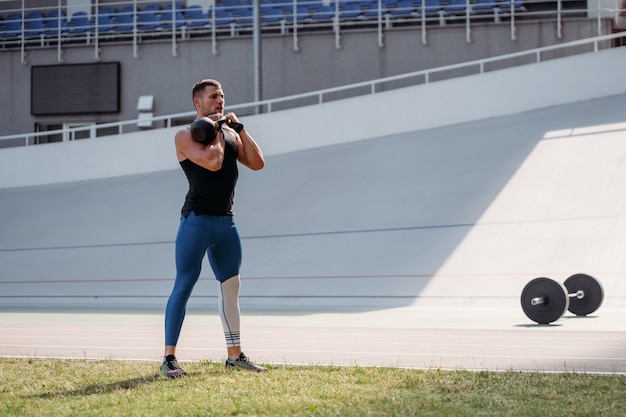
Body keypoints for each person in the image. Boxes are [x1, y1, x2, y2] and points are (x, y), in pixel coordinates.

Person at [160, 79, 266, 378]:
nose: (220, 100)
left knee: (231, 288)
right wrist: (218, 129)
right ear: (198, 102)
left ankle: (235, 356)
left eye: (222, 96)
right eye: (213, 96)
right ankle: (169, 359)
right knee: (184, 284)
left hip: (226, 221)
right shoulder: (184, 135)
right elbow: (214, 162)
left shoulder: (230, 132)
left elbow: (257, 163)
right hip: (196, 221)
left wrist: (240, 130)